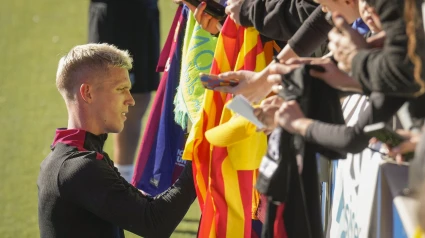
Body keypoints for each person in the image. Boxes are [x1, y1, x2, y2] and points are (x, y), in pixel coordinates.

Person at [37, 44, 196, 238]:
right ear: (87, 93)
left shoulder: (66, 159)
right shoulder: (80, 169)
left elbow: (148, 210)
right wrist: (199, 159)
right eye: (121, 89)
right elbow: (155, 222)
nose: (130, 100)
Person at [88, 0, 160, 181]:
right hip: (117, 13)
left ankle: (123, 179)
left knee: (137, 98)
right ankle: (87, 175)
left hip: (144, 10)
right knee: (107, 96)